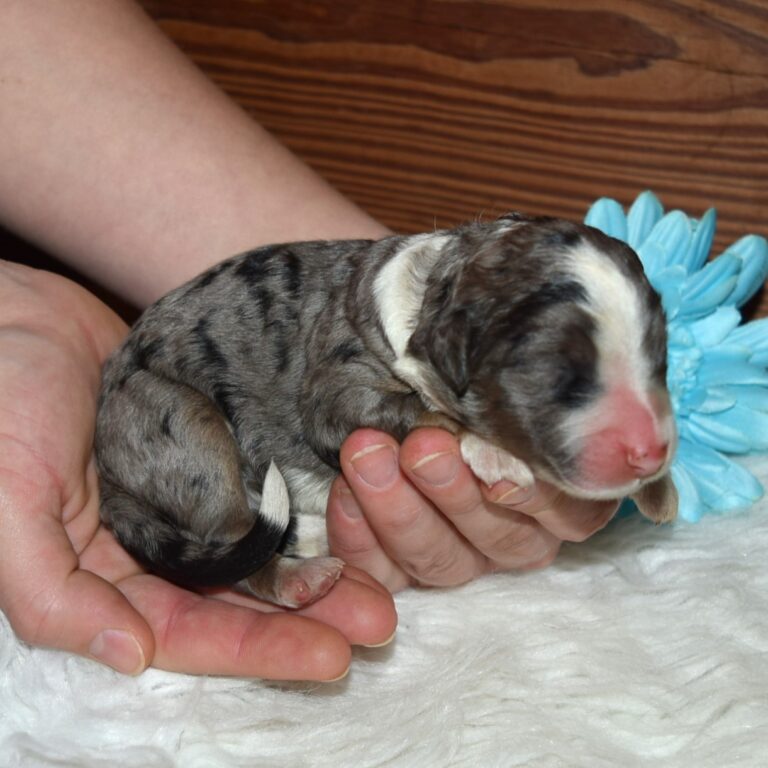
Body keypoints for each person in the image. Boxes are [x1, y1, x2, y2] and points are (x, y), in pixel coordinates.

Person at [0, 0, 618, 681]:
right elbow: (340, 408)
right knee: (240, 490)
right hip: (171, 413)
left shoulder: (404, 316)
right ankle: (252, 559)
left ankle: (256, 549)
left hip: (266, 367)